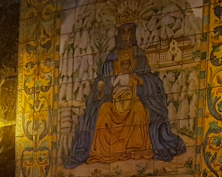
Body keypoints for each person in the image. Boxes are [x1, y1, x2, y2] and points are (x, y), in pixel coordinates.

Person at [64, 23, 186, 168]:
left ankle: (137, 150)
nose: (126, 35)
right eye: (123, 31)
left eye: (129, 31)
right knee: (104, 112)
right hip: (114, 101)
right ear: (119, 35)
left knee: (139, 110)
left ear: (133, 34)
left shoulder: (139, 55)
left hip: (134, 99)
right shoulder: (111, 57)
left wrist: (137, 79)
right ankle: (102, 154)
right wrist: (102, 89)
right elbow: (104, 82)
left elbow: (151, 80)